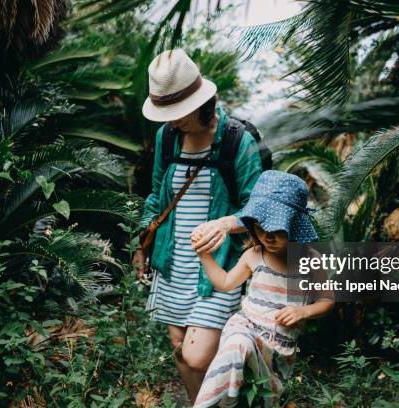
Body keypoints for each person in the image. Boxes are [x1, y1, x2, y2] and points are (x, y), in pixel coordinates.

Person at [132, 48, 263, 404]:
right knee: (178, 347)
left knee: (196, 354)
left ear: (202, 102)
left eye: (177, 113)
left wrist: (225, 223)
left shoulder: (238, 141)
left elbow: (257, 205)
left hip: (216, 267)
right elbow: (158, 194)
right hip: (173, 264)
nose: (171, 121)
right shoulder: (168, 138)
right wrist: (142, 244)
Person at [191, 170, 336, 408]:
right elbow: (226, 283)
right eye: (260, 227)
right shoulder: (254, 255)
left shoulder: (311, 259)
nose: (267, 236)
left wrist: (303, 312)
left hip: (278, 349)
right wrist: (204, 255)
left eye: (277, 230)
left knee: (263, 399)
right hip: (246, 327)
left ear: (295, 225)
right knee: (237, 345)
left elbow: (327, 300)